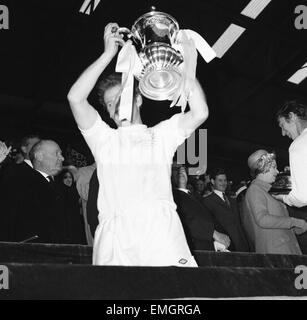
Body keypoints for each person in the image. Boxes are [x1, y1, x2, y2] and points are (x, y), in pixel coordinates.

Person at [67, 23, 209, 266]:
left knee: (174, 300)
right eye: (109, 104)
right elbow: (75, 98)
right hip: (115, 236)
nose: (115, 107)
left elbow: (200, 112)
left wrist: (182, 62)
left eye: (120, 98)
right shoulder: (103, 139)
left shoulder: (162, 134)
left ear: (138, 98)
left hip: (160, 232)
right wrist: (107, 55)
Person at [243, 149, 307, 254]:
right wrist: (293, 222)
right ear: (263, 168)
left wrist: (294, 228)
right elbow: (262, 219)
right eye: (274, 167)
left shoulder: (269, 189)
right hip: (276, 252)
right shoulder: (255, 190)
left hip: (284, 249)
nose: (277, 172)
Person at [172, 165, 230, 251]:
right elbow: (187, 222)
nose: (180, 172)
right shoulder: (172, 198)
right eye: (175, 169)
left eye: (183, 170)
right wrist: (213, 234)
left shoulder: (196, 197)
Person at [202, 168, 249, 252]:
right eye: (220, 180)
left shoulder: (231, 199)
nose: (223, 183)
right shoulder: (207, 201)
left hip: (241, 244)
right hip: (226, 246)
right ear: (213, 181)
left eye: (225, 180)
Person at [274, 100, 307, 207]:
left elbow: (302, 197)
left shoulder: (298, 145)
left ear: (292, 116)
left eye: (282, 125)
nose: (283, 133)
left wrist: (283, 198)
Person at [58, 169, 87, 244]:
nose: (68, 179)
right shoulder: (60, 192)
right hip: (66, 226)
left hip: (77, 224)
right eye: (65, 177)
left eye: (70, 177)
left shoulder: (75, 191)